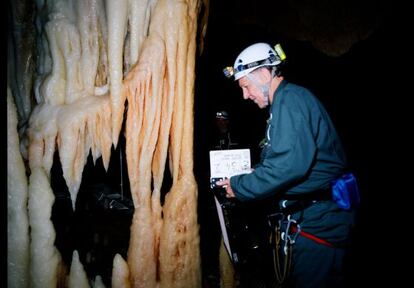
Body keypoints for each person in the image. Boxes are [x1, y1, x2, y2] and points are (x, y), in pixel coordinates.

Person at [217, 42, 359, 288]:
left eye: (246, 86)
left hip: (318, 225)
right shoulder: (285, 105)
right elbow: (283, 159)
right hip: (311, 222)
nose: (245, 95)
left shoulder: (291, 100)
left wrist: (240, 186)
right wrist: (254, 173)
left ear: (263, 74)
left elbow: (288, 166)